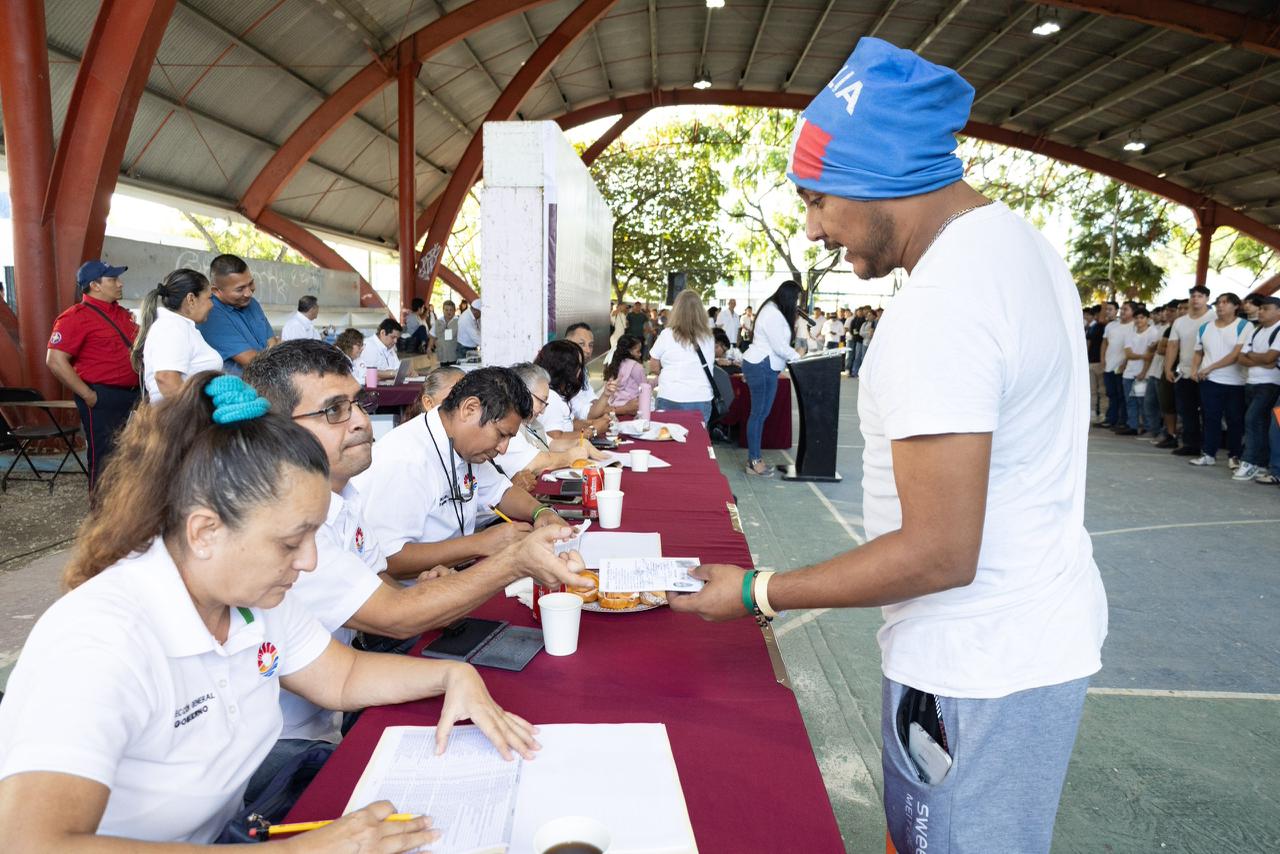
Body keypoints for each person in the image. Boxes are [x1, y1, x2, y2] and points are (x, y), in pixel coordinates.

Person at [670, 38, 1106, 854]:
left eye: (817, 200)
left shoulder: (943, 305)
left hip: (974, 662)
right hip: (1024, 640)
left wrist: (759, 590)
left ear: (879, 177)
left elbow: (939, 552)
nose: (812, 228)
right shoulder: (1019, 247)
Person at [0, 372, 537, 849]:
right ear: (205, 532)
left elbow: (343, 676)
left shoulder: (251, 598)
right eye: (290, 542)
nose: (308, 562)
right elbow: (33, 842)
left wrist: (452, 674)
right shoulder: (98, 640)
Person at [243, 342, 591, 758]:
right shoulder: (289, 526)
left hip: (326, 714)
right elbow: (391, 614)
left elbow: (357, 638)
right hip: (284, 747)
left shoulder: (343, 497)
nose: (361, 421)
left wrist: (432, 593)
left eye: (358, 403)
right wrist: (510, 561)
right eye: (335, 410)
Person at [353, 367, 569, 577]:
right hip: (412, 591)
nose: (503, 449)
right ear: (469, 409)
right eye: (501, 435)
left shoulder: (466, 447)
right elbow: (390, 558)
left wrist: (541, 512)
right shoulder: (404, 459)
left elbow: (502, 492)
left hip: (453, 576)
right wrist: (480, 543)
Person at [45, 260, 141, 490]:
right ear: (95, 285)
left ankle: (127, 507)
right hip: (103, 397)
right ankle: (102, 510)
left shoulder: (122, 314)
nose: (120, 284)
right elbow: (55, 360)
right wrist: (88, 395)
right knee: (106, 459)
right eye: (113, 279)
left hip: (134, 395)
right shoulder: (75, 317)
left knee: (133, 457)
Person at [495, 362, 608, 490]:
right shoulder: (508, 429)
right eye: (541, 401)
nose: (543, 411)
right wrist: (569, 457)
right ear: (522, 394)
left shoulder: (530, 423)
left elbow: (551, 444)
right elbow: (535, 463)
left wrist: (579, 443)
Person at [741, 280, 803, 476]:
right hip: (762, 365)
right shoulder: (772, 313)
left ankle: (754, 458)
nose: (796, 304)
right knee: (758, 415)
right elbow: (779, 346)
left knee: (760, 414)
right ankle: (754, 461)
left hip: (764, 365)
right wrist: (799, 357)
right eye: (796, 299)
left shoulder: (772, 310)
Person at [133, 268, 222, 402]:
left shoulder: (179, 325)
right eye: (209, 298)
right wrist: (194, 411)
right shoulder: (172, 326)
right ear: (191, 299)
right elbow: (166, 378)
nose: (212, 305)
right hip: (181, 414)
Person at [1190, 293, 1251, 467]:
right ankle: (1209, 453)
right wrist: (1194, 369)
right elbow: (1198, 352)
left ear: (1236, 306)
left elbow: (1236, 355)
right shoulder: (1205, 327)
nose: (1220, 306)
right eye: (1218, 303)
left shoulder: (1244, 325)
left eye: (1225, 302)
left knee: (1235, 420)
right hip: (1209, 380)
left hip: (1236, 381)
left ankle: (1234, 455)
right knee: (1210, 418)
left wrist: (1210, 367)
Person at [197, 254, 278, 374]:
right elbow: (251, 360)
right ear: (216, 291)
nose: (249, 293)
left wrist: (276, 353)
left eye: (251, 283)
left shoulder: (251, 302)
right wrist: (277, 357)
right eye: (240, 289)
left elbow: (272, 342)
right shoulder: (210, 314)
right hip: (241, 383)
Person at [648, 289, 716, 422]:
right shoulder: (708, 337)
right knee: (696, 435)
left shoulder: (667, 334)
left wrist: (665, 373)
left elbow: (653, 364)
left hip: (669, 394)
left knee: (666, 434)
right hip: (700, 397)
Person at [1234, 296, 1280, 481]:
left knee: (1252, 420)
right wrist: (1262, 360)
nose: (1260, 311)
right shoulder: (1256, 330)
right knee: (1260, 423)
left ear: (1278, 311)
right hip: (1251, 382)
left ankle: (1250, 461)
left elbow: (1270, 358)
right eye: (1260, 308)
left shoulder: (1278, 330)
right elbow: (1241, 357)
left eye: (1266, 308)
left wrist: (1253, 356)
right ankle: (1262, 463)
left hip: (1270, 384)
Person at [1165, 285, 1215, 456]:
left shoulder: (1214, 318)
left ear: (1207, 298)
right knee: (1187, 411)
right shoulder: (1180, 321)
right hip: (1185, 372)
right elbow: (1172, 345)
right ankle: (1190, 444)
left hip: (1209, 373)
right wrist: (1168, 368)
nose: (1195, 299)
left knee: (1209, 413)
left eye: (1200, 296)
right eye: (1193, 296)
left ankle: (1209, 447)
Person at [563, 322, 618, 425]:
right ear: (567, 344)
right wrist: (624, 408)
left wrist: (605, 397)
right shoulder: (562, 374)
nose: (588, 350)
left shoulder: (582, 370)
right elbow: (587, 414)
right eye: (581, 344)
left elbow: (593, 402)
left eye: (591, 345)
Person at [1118, 306, 1159, 435]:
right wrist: (1142, 356)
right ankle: (1133, 426)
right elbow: (1128, 354)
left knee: (1143, 402)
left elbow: (1150, 355)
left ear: (1148, 319)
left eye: (1142, 317)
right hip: (1129, 373)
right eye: (1136, 318)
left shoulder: (1153, 332)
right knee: (1130, 401)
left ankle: (1147, 427)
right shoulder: (1130, 333)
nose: (1139, 320)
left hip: (1143, 374)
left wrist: (1143, 372)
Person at [1098, 300, 1131, 429]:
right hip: (1109, 365)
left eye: (1125, 309)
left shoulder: (1134, 326)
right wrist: (1102, 359)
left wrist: (1125, 363)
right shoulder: (1111, 326)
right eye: (1121, 309)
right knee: (1111, 394)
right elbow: (1104, 343)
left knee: (1122, 395)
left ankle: (1123, 421)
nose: (1122, 311)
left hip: (1123, 367)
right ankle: (1111, 419)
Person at [603, 334, 649, 415]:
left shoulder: (614, 364)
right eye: (638, 351)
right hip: (632, 408)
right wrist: (656, 381)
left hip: (614, 407)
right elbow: (644, 387)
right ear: (629, 351)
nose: (640, 354)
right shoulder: (636, 366)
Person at [1085, 302, 1110, 424]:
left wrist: (1104, 306)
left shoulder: (1108, 327)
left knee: (1102, 390)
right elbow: (1088, 344)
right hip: (1091, 362)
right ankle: (1093, 412)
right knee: (1092, 390)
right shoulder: (1092, 327)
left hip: (1101, 362)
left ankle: (1103, 413)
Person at [433, 300, 460, 365]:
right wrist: (429, 348)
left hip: (454, 356)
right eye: (446, 310)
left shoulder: (458, 321)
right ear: (443, 310)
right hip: (442, 356)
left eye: (451, 310)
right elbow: (432, 335)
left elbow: (450, 336)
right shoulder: (438, 321)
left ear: (454, 311)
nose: (449, 312)